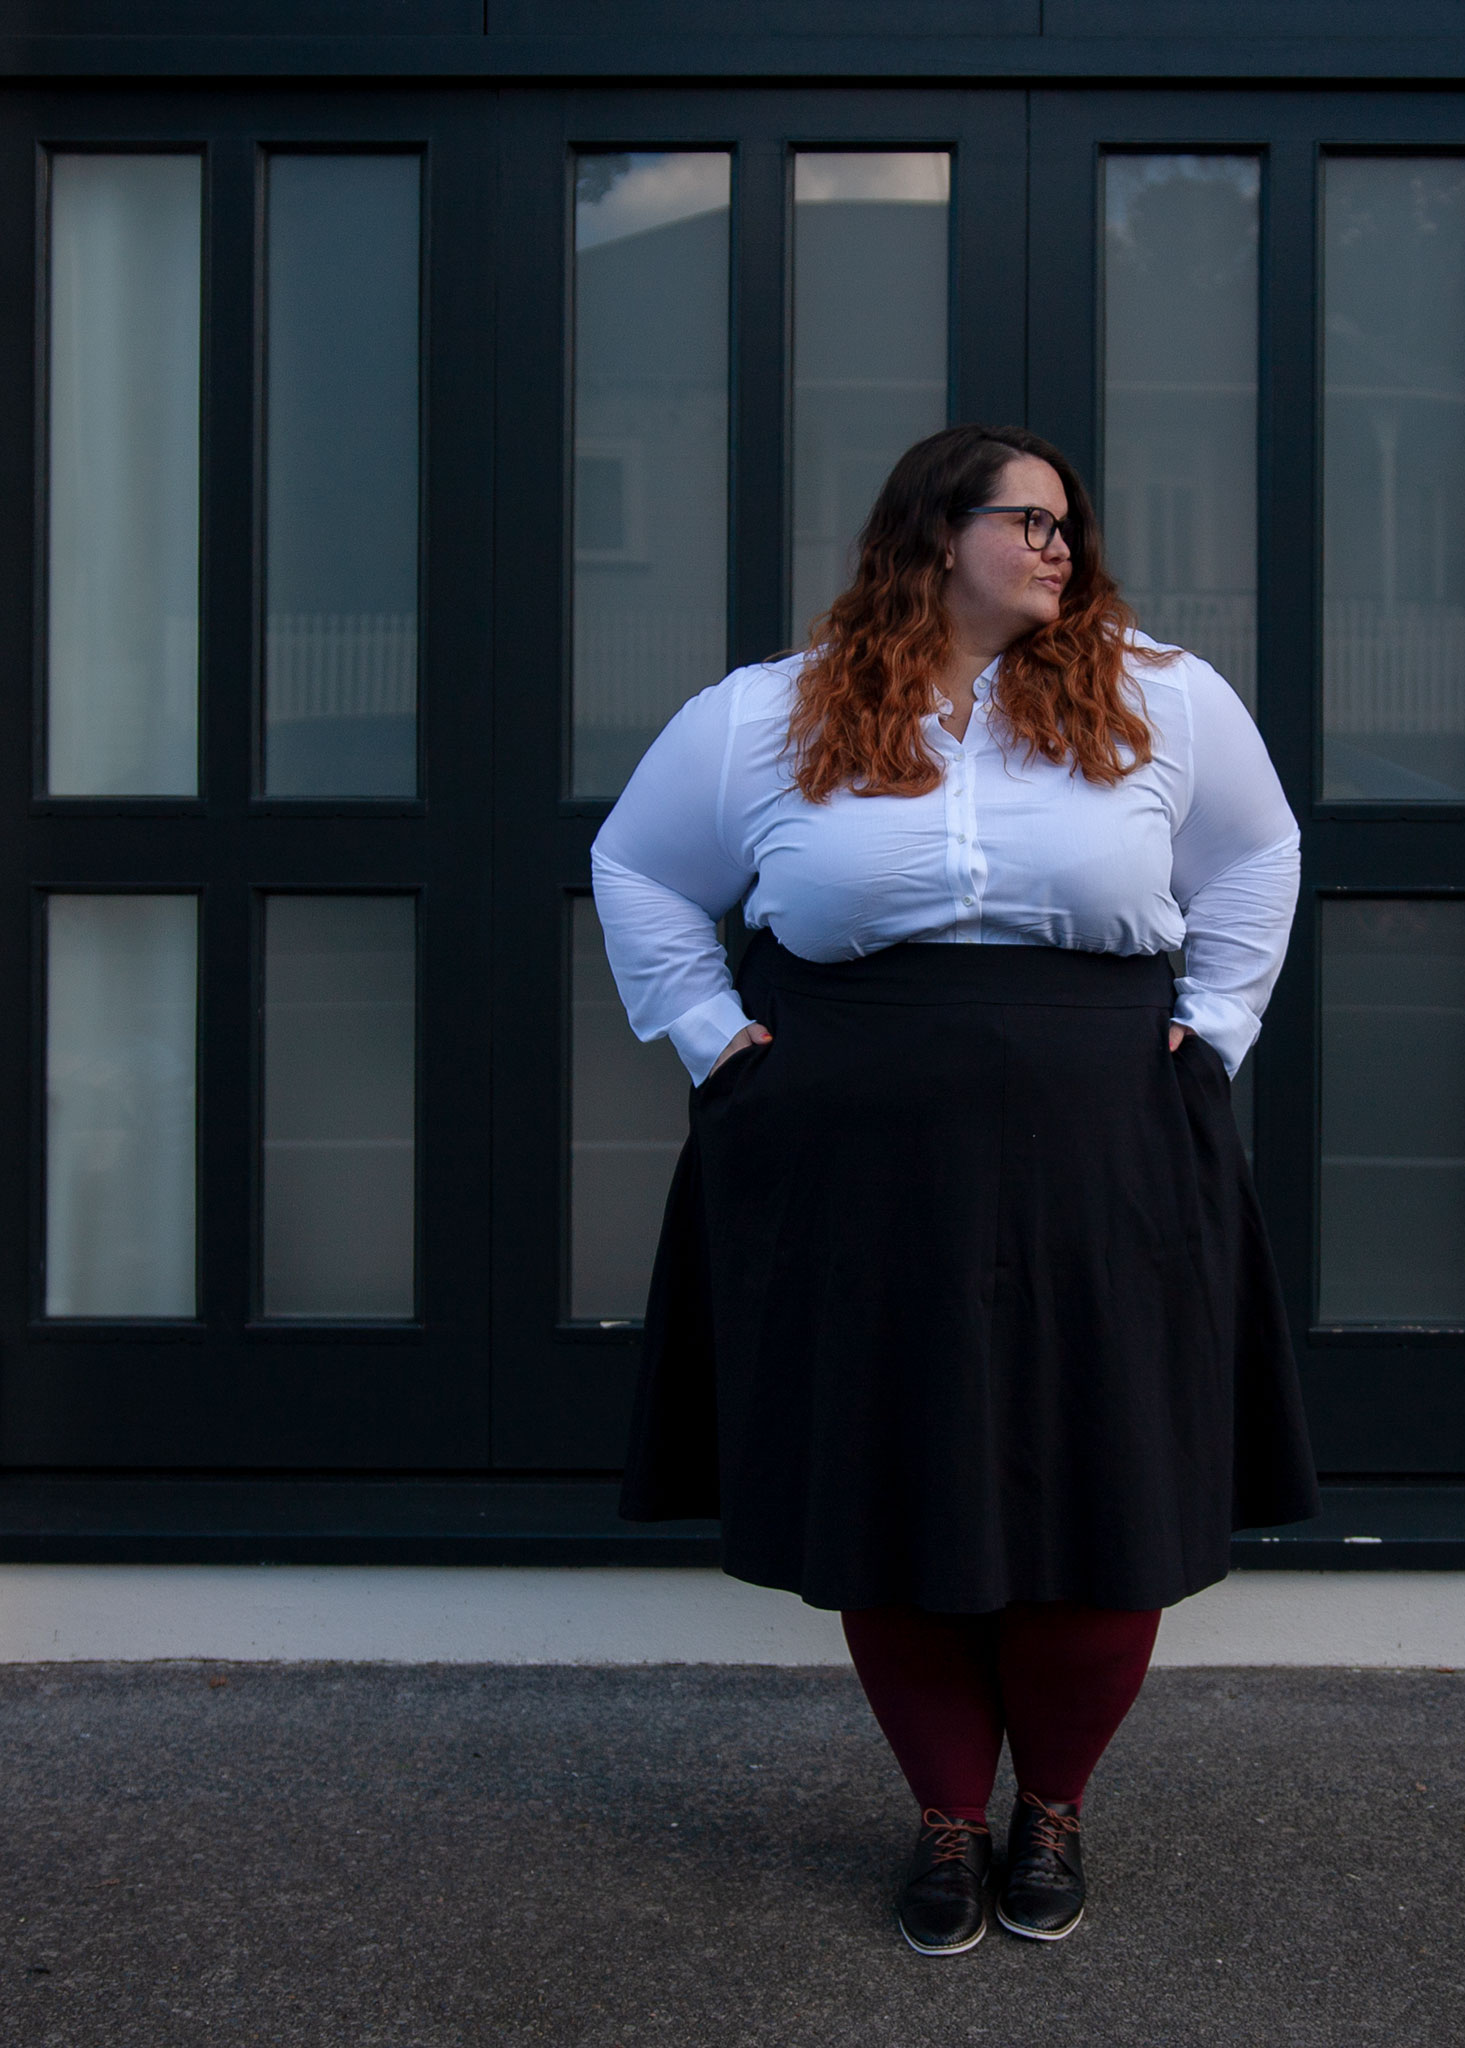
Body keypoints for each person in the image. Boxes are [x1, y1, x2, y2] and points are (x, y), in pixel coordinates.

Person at [593, 423, 1318, 1956]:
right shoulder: (767, 714)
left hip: (1111, 1143)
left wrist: (1223, 1032)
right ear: (929, 535)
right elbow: (642, 870)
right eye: (1025, 519)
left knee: (1110, 1482)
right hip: (854, 1158)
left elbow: (1258, 858)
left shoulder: (1162, 696)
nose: (1060, 546)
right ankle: (944, 1818)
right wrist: (717, 1041)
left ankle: (1050, 1808)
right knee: (892, 1483)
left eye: (1070, 525)